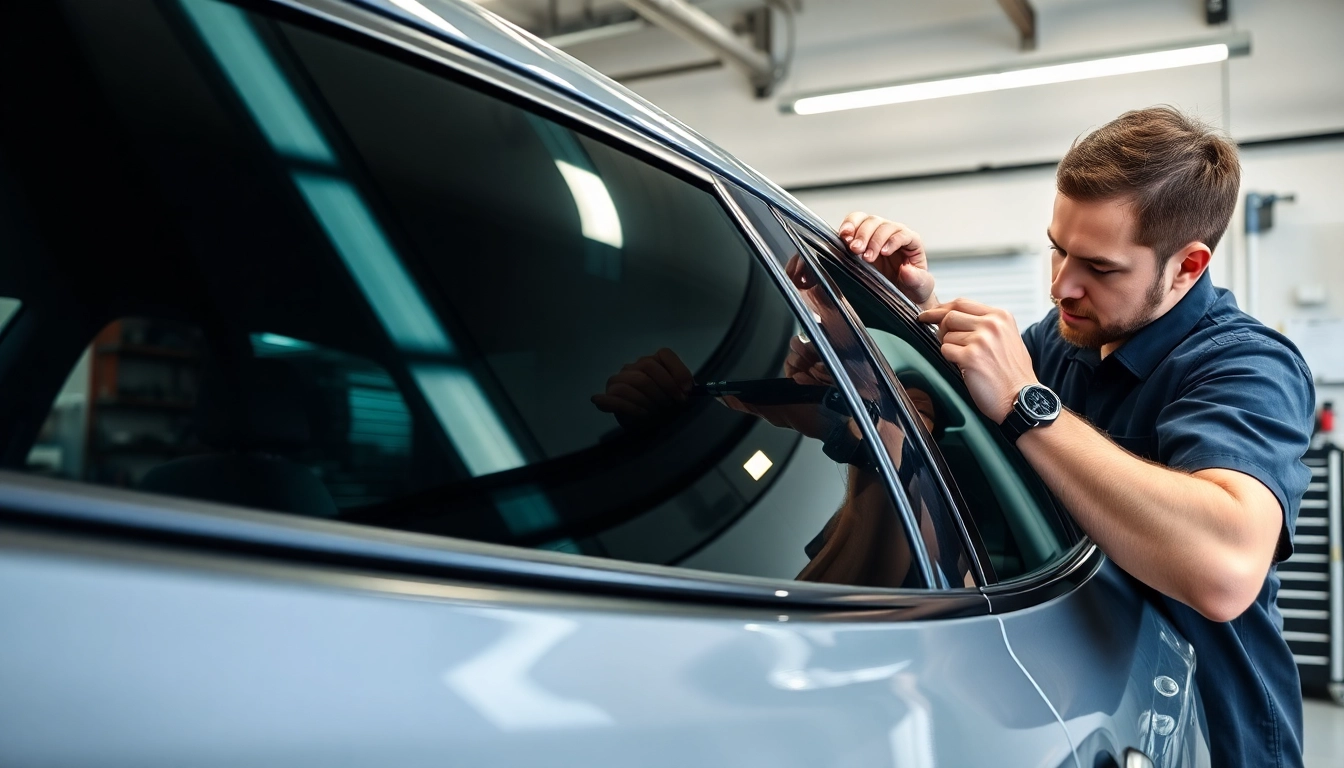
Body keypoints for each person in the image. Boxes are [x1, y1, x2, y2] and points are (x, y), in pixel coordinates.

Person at [841, 106, 1314, 767]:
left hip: (1211, 733)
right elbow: (960, 443)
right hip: (1090, 703)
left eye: (1100, 266)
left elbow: (1223, 570)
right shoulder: (1065, 341)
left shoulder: (1247, 365)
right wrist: (902, 311)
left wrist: (1027, 404)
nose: (1062, 285)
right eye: (1058, 248)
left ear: (1188, 265)